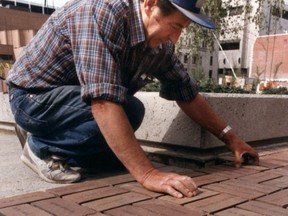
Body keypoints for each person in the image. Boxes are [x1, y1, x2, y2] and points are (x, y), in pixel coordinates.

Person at [6, 0, 259, 198]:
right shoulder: (101, 13)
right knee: (122, 114)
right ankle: (40, 147)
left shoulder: (159, 46)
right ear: (150, 4)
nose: (175, 39)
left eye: (183, 29)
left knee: (132, 112)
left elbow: (187, 94)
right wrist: (148, 174)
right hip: (32, 97)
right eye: (174, 26)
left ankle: (56, 144)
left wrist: (232, 140)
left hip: (74, 102)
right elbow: (103, 103)